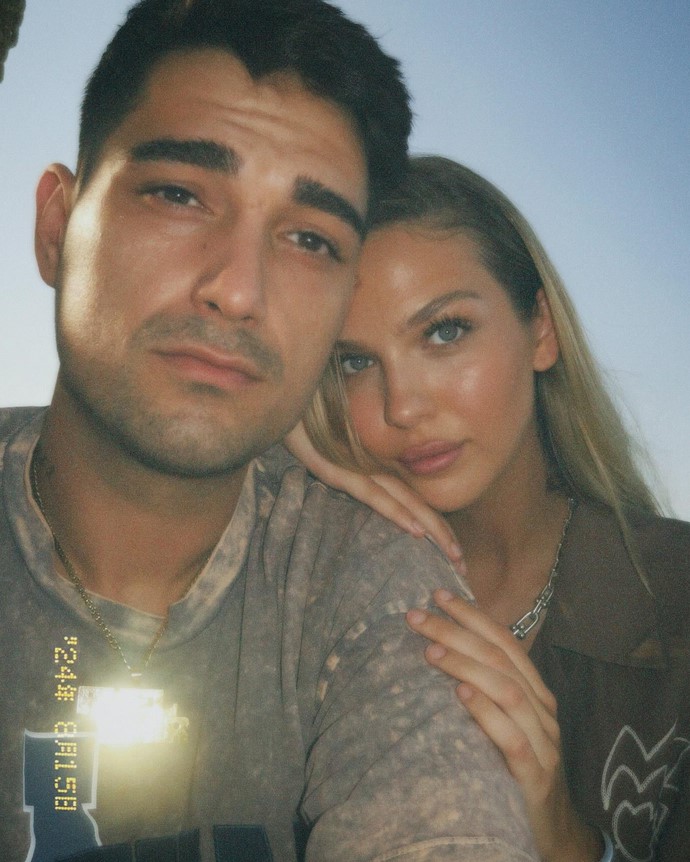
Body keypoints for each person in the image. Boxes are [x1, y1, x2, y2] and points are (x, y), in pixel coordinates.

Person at [0, 4, 540, 862]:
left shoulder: (372, 580)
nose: (239, 290)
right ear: (57, 227)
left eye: (310, 241)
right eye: (179, 195)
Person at [292, 156, 690, 862]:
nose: (402, 406)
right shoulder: (306, 580)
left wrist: (569, 843)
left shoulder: (677, 594)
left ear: (540, 330)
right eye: (353, 362)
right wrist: (274, 434)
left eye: (444, 332)